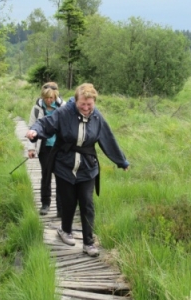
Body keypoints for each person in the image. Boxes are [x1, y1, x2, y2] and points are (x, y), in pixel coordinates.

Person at [26, 83, 129, 257]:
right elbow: (45, 123)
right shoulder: (64, 112)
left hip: (87, 166)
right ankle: (65, 230)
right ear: (76, 101)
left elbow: (108, 139)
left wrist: (121, 161)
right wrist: (34, 132)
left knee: (87, 202)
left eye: (90, 104)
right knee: (68, 201)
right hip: (64, 164)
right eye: (83, 104)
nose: (86, 108)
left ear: (94, 102)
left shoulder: (97, 117)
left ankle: (88, 243)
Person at [27, 82, 66, 217]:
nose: (49, 101)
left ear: (56, 96)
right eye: (46, 98)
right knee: (46, 175)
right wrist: (31, 148)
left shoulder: (63, 106)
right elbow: (32, 127)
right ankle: (45, 204)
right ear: (43, 97)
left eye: (51, 98)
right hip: (44, 147)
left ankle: (61, 209)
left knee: (61, 177)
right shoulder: (37, 109)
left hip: (60, 147)